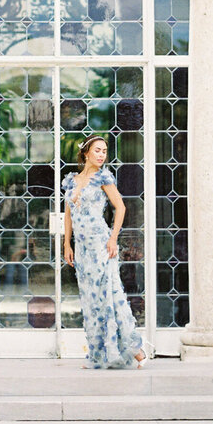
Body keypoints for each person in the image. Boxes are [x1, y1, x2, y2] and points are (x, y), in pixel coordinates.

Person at [61, 136, 146, 369]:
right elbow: (68, 215)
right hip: (82, 248)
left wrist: (113, 238)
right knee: (90, 300)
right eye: (97, 150)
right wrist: (67, 244)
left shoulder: (103, 177)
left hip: (100, 244)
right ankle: (98, 354)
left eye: (104, 151)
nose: (101, 155)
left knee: (109, 295)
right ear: (86, 153)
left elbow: (121, 207)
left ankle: (135, 350)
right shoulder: (71, 181)